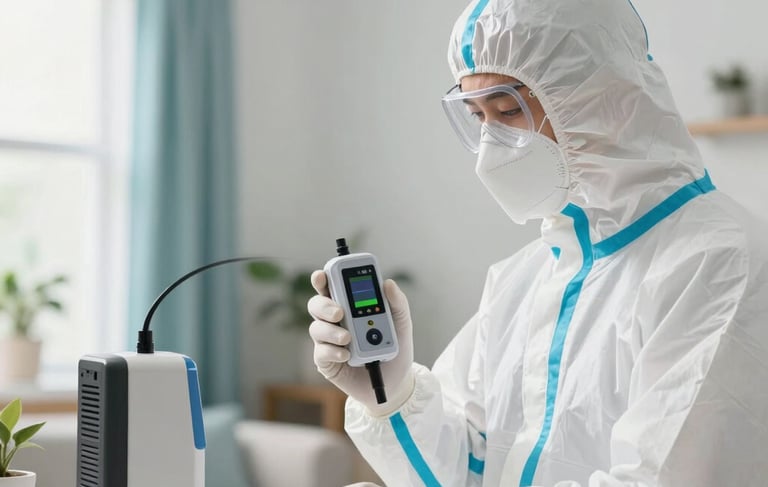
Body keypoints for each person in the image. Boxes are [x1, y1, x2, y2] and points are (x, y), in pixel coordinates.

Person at [307, 0, 768, 485]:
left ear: (604, 97)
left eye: (509, 109)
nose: (491, 146)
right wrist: (392, 394)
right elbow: (469, 467)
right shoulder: (526, 277)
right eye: (479, 116)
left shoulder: (720, 264)